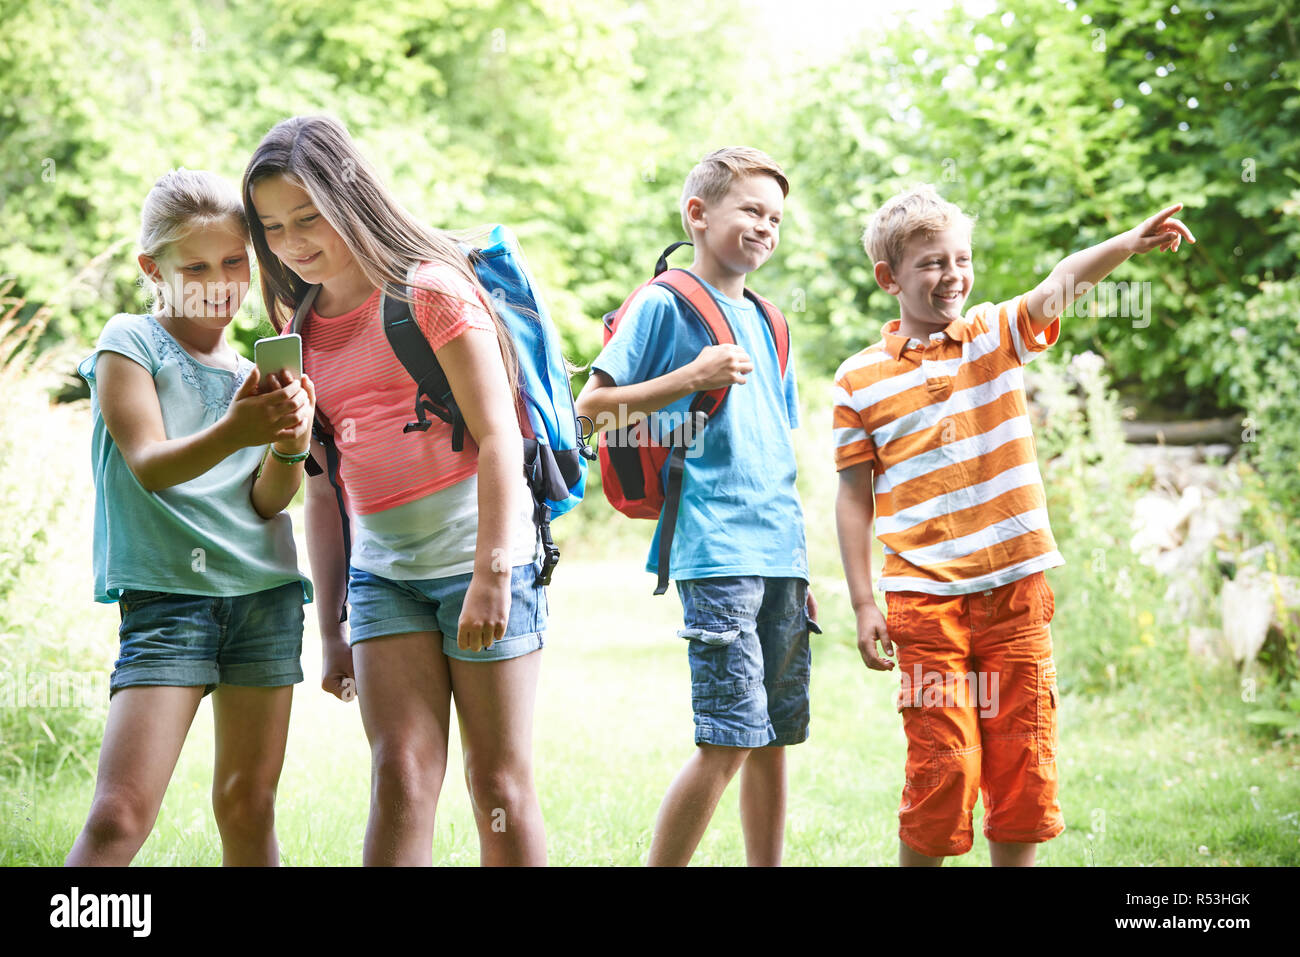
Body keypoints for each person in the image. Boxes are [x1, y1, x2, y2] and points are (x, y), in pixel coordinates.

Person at [833, 183, 1193, 865]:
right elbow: (852, 495)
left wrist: (1126, 244)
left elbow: (1061, 281)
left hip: (1015, 597)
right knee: (943, 766)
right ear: (890, 277)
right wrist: (861, 601)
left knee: (1023, 765)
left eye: (961, 259)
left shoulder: (994, 333)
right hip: (923, 604)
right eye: (932, 262)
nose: (953, 275)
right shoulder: (858, 380)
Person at [242, 115, 546, 866]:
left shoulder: (432, 292)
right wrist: (333, 625)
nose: (292, 242)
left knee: (498, 784)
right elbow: (321, 490)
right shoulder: (298, 327)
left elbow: (501, 435)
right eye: (273, 227)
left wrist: (491, 572)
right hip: (385, 578)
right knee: (401, 775)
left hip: (482, 560)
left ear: (351, 197)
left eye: (308, 217)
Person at [576, 147, 817, 866]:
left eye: (775, 217)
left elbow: (773, 438)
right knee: (727, 736)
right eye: (750, 209)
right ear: (698, 213)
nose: (765, 227)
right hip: (716, 551)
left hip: (783, 550)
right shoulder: (661, 304)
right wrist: (690, 375)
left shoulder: (773, 321)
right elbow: (590, 412)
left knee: (773, 736)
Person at [68, 168, 315, 866]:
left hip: (264, 597)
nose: (220, 281)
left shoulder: (251, 374)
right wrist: (240, 428)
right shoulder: (130, 342)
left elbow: (267, 501)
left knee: (247, 804)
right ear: (154, 268)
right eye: (196, 265)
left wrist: (291, 444)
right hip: (170, 600)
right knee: (119, 815)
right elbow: (149, 462)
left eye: (235, 261)